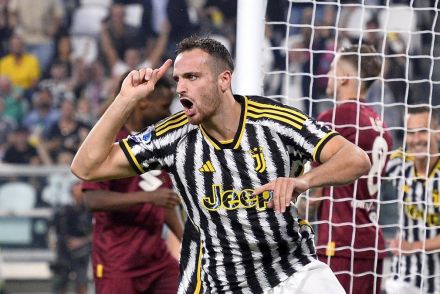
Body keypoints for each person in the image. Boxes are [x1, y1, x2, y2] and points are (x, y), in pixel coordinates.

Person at [71, 36, 371, 293]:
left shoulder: (275, 121)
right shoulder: (172, 135)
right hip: (216, 281)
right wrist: (125, 99)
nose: (180, 89)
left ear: (223, 79)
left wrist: (302, 181)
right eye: (178, 79)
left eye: (192, 77)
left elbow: (355, 158)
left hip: (290, 269)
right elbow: (86, 168)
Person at [297, 45, 393, 294]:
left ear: (345, 78)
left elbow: (314, 194)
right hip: (371, 243)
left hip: (341, 243)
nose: (328, 75)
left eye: (331, 69)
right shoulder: (380, 123)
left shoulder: (340, 116)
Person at [81, 76, 183, 294]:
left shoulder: (160, 141)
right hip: (118, 261)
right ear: (143, 103)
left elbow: (164, 199)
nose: (169, 114)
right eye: (164, 107)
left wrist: (187, 241)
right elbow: (92, 199)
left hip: (157, 260)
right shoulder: (109, 143)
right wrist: (147, 198)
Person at [385, 106, 440, 294]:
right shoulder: (398, 165)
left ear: (437, 133)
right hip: (404, 274)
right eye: (411, 133)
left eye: (423, 131)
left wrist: (412, 246)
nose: (416, 139)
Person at [51, 181, 92, 294]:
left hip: (82, 253)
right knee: (60, 283)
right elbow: (54, 228)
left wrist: (81, 242)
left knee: (81, 282)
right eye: (76, 191)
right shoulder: (63, 210)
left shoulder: (90, 211)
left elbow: (95, 233)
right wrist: (54, 242)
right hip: (63, 251)